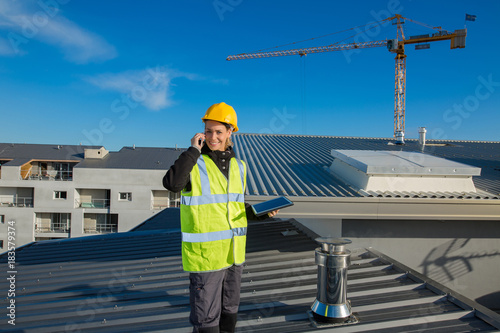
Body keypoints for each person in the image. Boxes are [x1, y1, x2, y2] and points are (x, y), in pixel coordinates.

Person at [163, 102, 278, 333]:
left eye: (218, 131)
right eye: (208, 131)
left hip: (234, 255)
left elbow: (234, 209)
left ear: (230, 132)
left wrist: (260, 214)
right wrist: (193, 151)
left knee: (229, 313)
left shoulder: (240, 167)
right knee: (206, 322)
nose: (212, 137)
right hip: (206, 257)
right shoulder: (194, 162)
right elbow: (172, 184)